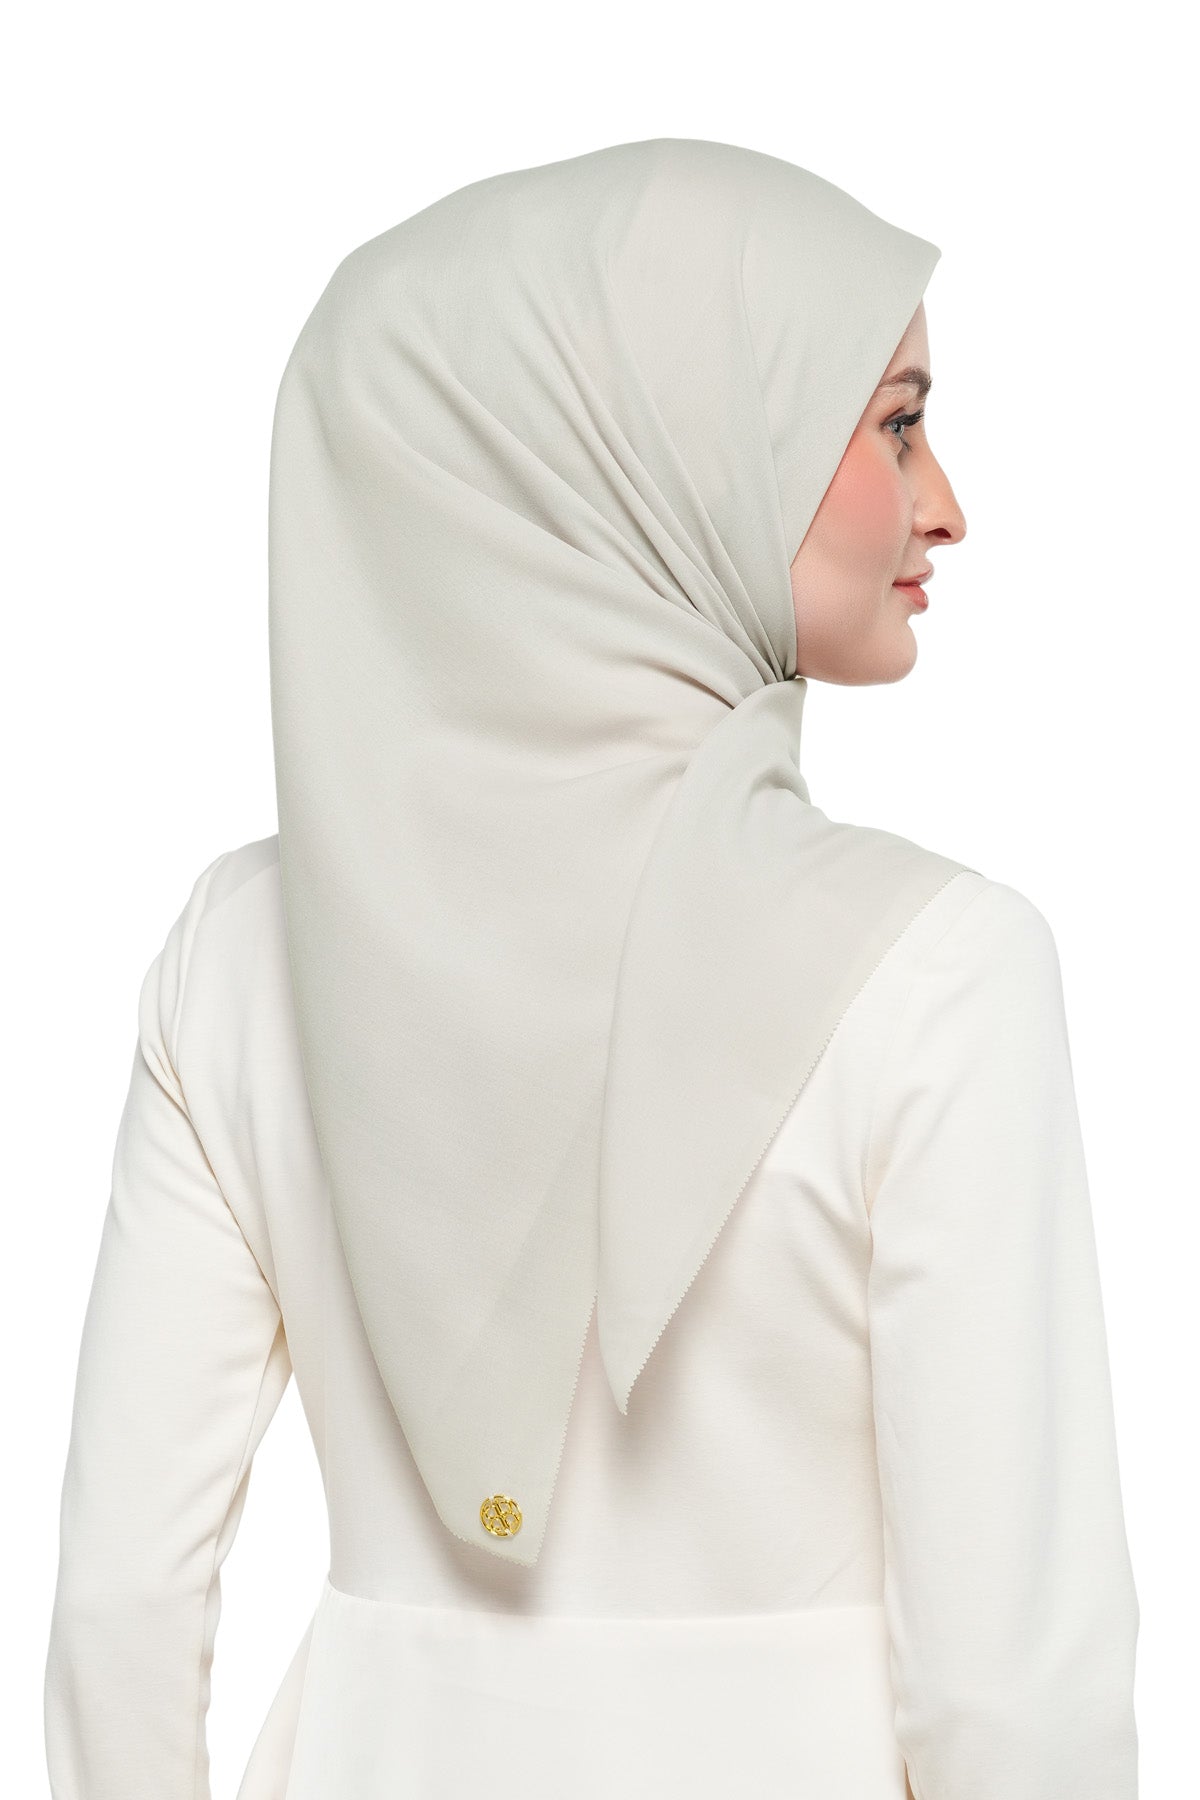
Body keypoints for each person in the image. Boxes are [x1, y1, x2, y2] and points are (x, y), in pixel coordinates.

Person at [44, 138, 1139, 1800]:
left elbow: (123, 1608)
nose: (946, 505)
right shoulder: (940, 973)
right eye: (897, 423)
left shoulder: (240, 959)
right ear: (673, 448)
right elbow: (1013, 1707)